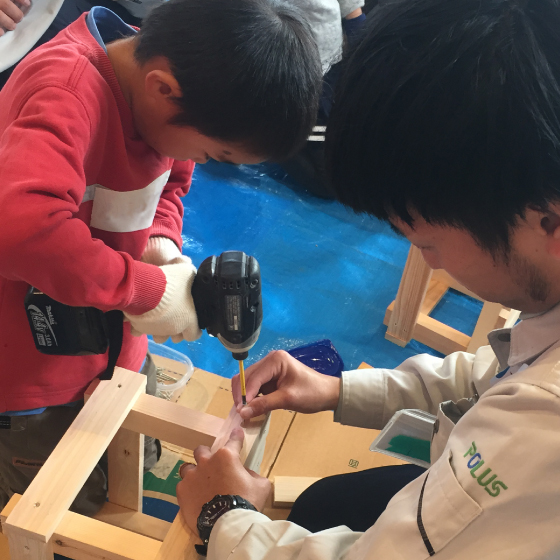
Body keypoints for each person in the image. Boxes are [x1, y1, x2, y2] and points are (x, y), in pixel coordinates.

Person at [176, 0, 560, 558]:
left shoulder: (541, 431)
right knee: (326, 504)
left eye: (427, 243)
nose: (429, 263)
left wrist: (223, 517)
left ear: (549, 222)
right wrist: (337, 389)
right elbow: (495, 374)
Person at [0, 0, 321, 515]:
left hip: (115, 338)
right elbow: (21, 231)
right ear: (162, 88)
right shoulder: (65, 92)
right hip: (31, 361)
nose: (200, 163)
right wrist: (143, 289)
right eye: (214, 154)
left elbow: (170, 183)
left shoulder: (168, 97)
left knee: (134, 449)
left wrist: (162, 245)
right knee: (57, 499)